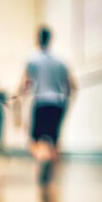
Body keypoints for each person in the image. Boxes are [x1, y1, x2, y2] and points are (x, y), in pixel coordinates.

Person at [16, 26, 77, 185]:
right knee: (55, 141)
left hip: (41, 101)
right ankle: (52, 179)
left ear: (37, 39)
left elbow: (26, 83)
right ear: (50, 39)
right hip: (58, 102)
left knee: (34, 142)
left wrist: (18, 96)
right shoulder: (61, 61)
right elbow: (72, 86)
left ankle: (43, 158)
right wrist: (66, 102)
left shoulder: (32, 59)